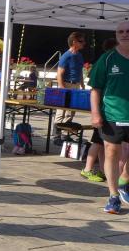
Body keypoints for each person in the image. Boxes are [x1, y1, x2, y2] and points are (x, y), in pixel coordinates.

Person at [89, 21, 129, 214]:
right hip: (112, 114)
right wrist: (95, 113)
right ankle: (113, 196)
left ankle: (124, 180)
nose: (125, 34)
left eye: (128, 31)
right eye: (121, 31)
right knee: (112, 153)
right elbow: (95, 89)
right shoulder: (107, 59)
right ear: (116, 34)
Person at [54, 31, 87, 145]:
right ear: (74, 42)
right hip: (66, 84)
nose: (83, 43)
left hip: (75, 84)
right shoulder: (66, 56)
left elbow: (80, 71)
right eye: (81, 41)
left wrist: (82, 84)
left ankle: (65, 134)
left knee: (71, 111)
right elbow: (59, 74)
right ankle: (56, 136)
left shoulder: (79, 55)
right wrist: (63, 88)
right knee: (61, 110)